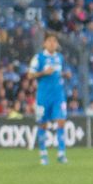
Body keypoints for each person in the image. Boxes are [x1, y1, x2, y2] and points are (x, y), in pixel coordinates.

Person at [29, 31, 69, 165]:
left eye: (55, 41)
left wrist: (65, 75)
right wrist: (43, 73)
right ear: (44, 43)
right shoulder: (38, 58)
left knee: (61, 121)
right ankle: (43, 154)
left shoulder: (60, 58)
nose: (52, 44)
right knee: (43, 124)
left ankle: (61, 154)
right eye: (50, 41)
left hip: (58, 95)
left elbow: (61, 73)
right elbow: (30, 75)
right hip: (43, 96)